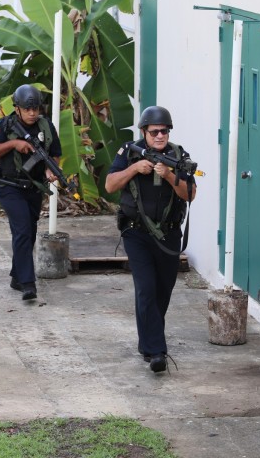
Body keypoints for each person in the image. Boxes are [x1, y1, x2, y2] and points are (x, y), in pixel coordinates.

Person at [106, 106, 197, 373]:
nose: (160, 136)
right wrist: (135, 169)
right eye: (155, 131)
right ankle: (157, 352)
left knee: (162, 291)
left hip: (168, 233)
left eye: (165, 131)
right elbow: (111, 185)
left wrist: (168, 175)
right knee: (146, 287)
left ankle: (147, 341)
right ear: (144, 131)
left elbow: (190, 194)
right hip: (136, 232)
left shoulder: (178, 156)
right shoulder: (129, 152)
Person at [0, 84, 62, 301]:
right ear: (16, 109)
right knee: (22, 230)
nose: (32, 113)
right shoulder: (4, 126)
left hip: (34, 187)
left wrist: (51, 168)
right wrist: (13, 144)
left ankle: (17, 276)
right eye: (27, 109)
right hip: (9, 186)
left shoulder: (46, 126)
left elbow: (55, 152)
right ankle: (28, 284)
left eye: (35, 108)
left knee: (29, 231)